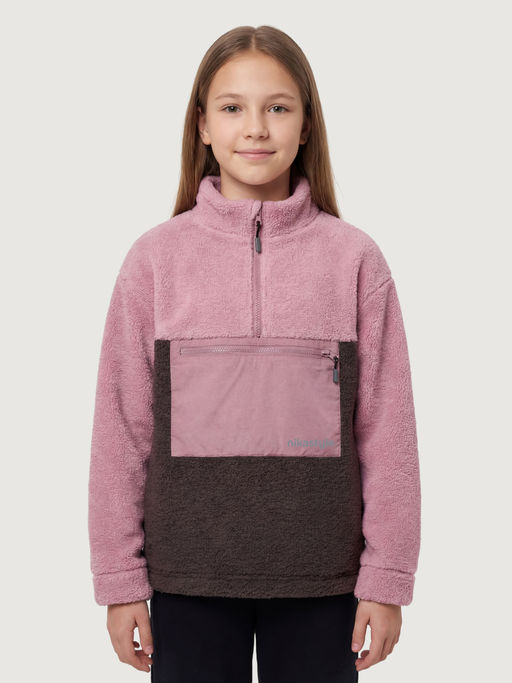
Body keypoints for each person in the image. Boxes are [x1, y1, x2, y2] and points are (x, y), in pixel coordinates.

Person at [88, 24, 421, 683]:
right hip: (186, 579)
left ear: (306, 125)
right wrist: (119, 579)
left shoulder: (354, 261)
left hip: (326, 582)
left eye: (278, 107)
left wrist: (387, 577)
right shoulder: (155, 262)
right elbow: (121, 430)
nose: (256, 128)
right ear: (203, 125)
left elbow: (388, 431)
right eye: (233, 107)